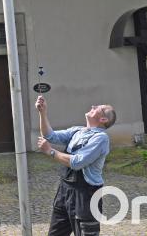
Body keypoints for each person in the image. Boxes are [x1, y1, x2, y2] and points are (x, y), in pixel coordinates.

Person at [35, 95, 116, 236]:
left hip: (86, 196)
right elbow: (50, 136)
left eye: (99, 108)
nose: (93, 106)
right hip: (65, 191)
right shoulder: (78, 130)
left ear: (103, 119)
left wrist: (50, 151)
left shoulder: (101, 138)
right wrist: (42, 112)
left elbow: (77, 162)